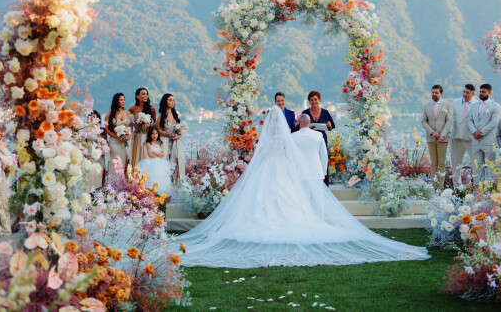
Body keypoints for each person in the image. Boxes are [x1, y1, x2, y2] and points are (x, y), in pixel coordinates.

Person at [172, 106, 429, 268]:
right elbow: (297, 159)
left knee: (265, 197)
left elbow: (268, 156)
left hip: (269, 172)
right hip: (285, 173)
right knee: (289, 200)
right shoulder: (294, 137)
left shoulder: (285, 137)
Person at [466, 84, 501, 184]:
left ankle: (488, 190)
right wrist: (474, 131)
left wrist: (481, 133)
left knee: (490, 167)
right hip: (476, 141)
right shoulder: (474, 106)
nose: (481, 93)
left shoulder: (495, 106)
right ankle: (477, 191)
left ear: (489, 93)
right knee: (477, 167)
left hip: (489, 141)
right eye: (480, 91)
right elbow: (469, 120)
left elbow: (494, 122)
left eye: (483, 92)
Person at [421, 85, 453, 189]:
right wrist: (432, 132)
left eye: (436, 92)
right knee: (433, 164)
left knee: (441, 164)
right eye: (432, 92)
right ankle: (434, 187)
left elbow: (449, 121)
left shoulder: (447, 105)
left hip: (442, 139)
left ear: (441, 94)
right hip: (431, 138)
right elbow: (423, 121)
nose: (434, 94)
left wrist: (442, 134)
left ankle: (441, 187)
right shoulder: (427, 106)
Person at [301, 91, 335, 186]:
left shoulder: (325, 112)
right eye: (311, 100)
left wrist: (329, 125)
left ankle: (324, 186)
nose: (314, 101)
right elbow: (300, 126)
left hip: (321, 140)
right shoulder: (305, 113)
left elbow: (331, 127)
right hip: (309, 141)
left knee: (323, 161)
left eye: (315, 99)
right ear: (309, 101)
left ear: (319, 100)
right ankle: (310, 185)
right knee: (310, 161)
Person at [450, 84, 477, 188]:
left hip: (471, 139)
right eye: (464, 92)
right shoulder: (455, 102)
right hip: (456, 137)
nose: (465, 94)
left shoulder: (477, 104)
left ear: (473, 94)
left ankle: (476, 188)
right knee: (456, 165)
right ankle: (457, 188)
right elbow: (450, 118)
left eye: (468, 93)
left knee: (475, 165)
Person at [136, 126, 175, 196]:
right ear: (150, 134)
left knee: (162, 178)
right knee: (151, 178)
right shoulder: (148, 143)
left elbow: (163, 154)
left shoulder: (160, 143)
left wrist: (154, 152)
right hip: (150, 163)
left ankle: (161, 195)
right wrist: (158, 154)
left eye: (156, 133)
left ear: (158, 134)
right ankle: (151, 194)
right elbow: (150, 155)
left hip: (160, 164)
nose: (154, 135)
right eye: (153, 134)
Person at [157, 93, 185, 185]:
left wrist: (179, 135)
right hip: (164, 141)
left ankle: (177, 185)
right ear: (165, 101)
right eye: (170, 100)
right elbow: (159, 131)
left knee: (177, 162)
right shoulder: (161, 116)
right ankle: (165, 186)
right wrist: (170, 136)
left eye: (173, 100)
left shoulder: (175, 115)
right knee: (164, 163)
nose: (172, 102)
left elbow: (179, 130)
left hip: (176, 142)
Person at [291, 114, 328, 182]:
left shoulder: (292, 136)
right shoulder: (319, 135)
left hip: (299, 174)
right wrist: (323, 172)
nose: (295, 123)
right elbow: (324, 155)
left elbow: (290, 156)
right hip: (317, 173)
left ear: (301, 123)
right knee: (317, 193)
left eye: (296, 121)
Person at [105, 93, 132, 179]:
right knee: (113, 164)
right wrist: (117, 137)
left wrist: (128, 136)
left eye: (123, 99)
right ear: (116, 101)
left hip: (125, 142)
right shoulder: (109, 114)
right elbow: (107, 129)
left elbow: (131, 127)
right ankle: (111, 186)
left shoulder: (128, 113)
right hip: (114, 142)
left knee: (124, 163)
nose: (123, 101)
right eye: (120, 100)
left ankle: (122, 185)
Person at [129, 88, 156, 168]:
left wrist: (149, 124)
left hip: (147, 137)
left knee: (147, 157)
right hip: (136, 137)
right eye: (143, 94)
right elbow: (126, 119)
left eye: (146, 94)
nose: (145, 96)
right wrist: (132, 125)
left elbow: (156, 124)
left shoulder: (151, 108)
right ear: (137, 96)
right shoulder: (133, 108)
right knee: (136, 157)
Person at [0, 125, 13, 236]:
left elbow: (12, 162)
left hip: (4, 179)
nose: (0, 135)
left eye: (1, 132)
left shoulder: (4, 146)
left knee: (3, 205)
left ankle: (5, 231)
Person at [85, 110, 106, 190]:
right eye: (92, 116)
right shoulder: (85, 130)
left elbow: (105, 145)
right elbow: (82, 146)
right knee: (90, 179)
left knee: (99, 177)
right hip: (89, 158)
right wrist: (87, 157)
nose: (93, 118)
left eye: (95, 117)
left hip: (100, 159)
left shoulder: (101, 131)